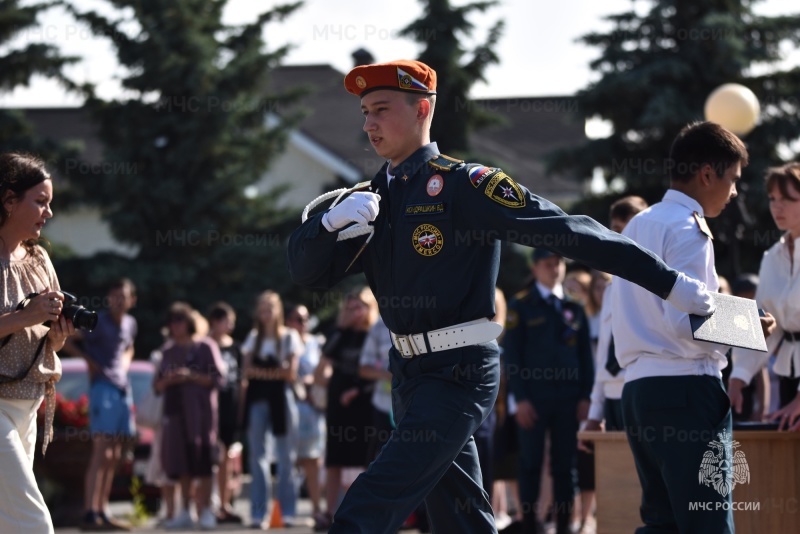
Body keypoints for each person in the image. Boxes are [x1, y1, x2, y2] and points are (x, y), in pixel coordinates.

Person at [287, 60, 719, 534]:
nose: (369, 123)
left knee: (369, 503)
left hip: (458, 372)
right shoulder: (369, 200)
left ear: (421, 110)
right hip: (408, 374)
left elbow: (568, 231)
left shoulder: (464, 185)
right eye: (365, 112)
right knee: (462, 519)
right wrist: (327, 225)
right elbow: (309, 274)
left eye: (382, 109)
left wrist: (670, 283)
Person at [609, 121, 775, 533]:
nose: (734, 191)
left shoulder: (638, 225)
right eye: (732, 179)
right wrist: (750, 326)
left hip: (638, 392)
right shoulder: (689, 228)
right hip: (685, 390)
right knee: (708, 523)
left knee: (662, 523)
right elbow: (687, 321)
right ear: (706, 174)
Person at [0, 152, 75, 533]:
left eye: (50, 203)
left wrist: (57, 336)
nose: (48, 213)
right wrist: (25, 316)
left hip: (29, 403)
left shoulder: (39, 258)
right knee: (33, 523)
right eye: (40, 201)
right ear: (9, 200)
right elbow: (27, 320)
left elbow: (49, 341)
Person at [503, 249, 594, 534]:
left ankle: (564, 524)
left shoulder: (575, 306)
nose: (554, 269)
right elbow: (513, 358)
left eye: (558, 264)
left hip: (568, 399)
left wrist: (585, 397)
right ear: (535, 268)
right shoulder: (521, 305)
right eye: (547, 264)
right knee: (530, 463)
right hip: (534, 398)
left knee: (565, 466)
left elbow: (585, 358)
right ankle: (532, 525)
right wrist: (520, 400)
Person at [61, 278, 138, 531]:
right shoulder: (98, 321)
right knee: (101, 452)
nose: (118, 301)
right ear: (108, 299)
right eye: (114, 296)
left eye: (123, 297)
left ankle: (103, 510)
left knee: (115, 455)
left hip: (121, 390)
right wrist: (89, 362)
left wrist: (125, 366)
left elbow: (129, 347)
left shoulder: (130, 323)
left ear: (131, 300)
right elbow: (69, 337)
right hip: (102, 389)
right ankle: (89, 513)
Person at [731, 162, 800, 430]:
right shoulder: (772, 257)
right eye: (773, 198)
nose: (777, 207)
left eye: (788, 199)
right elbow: (762, 323)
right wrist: (739, 377)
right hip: (788, 377)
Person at [154, 302, 225, 530]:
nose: (175, 325)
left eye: (180, 320)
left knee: (203, 461)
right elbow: (157, 385)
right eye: (172, 321)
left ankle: (206, 509)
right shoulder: (168, 351)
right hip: (175, 415)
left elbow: (218, 379)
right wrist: (171, 379)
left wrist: (190, 376)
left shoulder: (206, 346)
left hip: (201, 415)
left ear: (189, 322)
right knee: (181, 463)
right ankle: (186, 510)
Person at [313, 287, 378, 531]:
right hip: (337, 403)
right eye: (348, 307)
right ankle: (329, 512)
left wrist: (358, 390)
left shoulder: (374, 333)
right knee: (335, 459)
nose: (352, 312)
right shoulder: (338, 334)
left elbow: (377, 368)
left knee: (364, 459)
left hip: (364, 403)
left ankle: (363, 512)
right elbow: (322, 369)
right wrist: (341, 328)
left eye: (357, 307)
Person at [240, 290, 302, 529]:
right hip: (258, 400)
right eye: (262, 309)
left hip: (282, 398)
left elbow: (290, 374)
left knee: (287, 457)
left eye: (270, 309)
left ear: (278, 311)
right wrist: (273, 371)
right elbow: (247, 371)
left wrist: (264, 371)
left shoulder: (289, 337)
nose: (266, 313)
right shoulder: (253, 338)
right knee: (257, 457)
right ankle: (258, 513)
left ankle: (287, 511)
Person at [285, 302, 327, 528]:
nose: (303, 324)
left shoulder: (315, 343)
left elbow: (323, 371)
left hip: (312, 409)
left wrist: (314, 383)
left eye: (305, 319)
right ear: (288, 321)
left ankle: (316, 510)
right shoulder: (283, 340)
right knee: (289, 460)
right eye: (298, 319)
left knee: (313, 461)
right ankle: (287, 512)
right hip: (289, 406)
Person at [205, 301, 243, 524]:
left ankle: (224, 504)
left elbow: (242, 381)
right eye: (226, 320)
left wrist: (242, 410)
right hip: (210, 407)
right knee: (210, 457)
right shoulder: (205, 345)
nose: (230, 325)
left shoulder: (235, 347)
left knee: (227, 457)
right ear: (215, 322)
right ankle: (207, 504)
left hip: (230, 406)